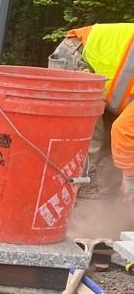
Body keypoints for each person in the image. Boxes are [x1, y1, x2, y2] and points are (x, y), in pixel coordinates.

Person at [48, 22, 134, 204]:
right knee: (89, 138)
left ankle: (91, 195)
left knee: (108, 143)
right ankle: (62, 202)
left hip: (92, 56)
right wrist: (131, 183)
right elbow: (123, 132)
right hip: (77, 56)